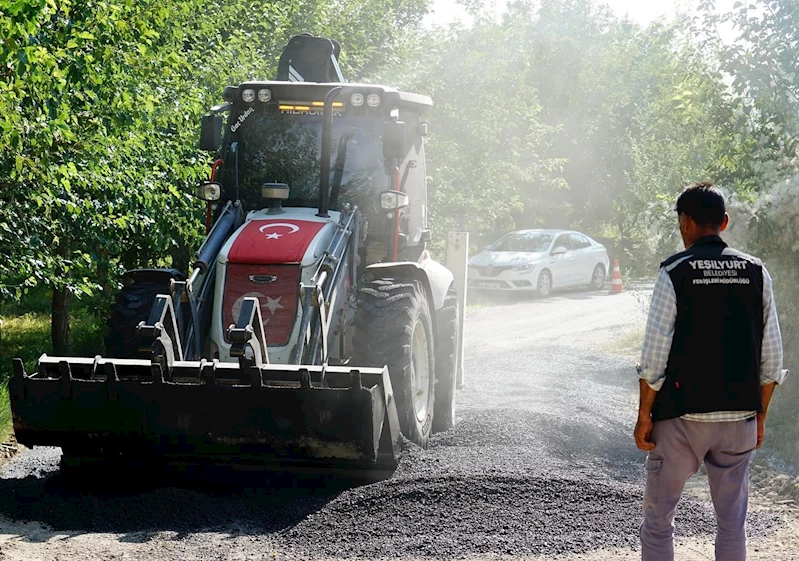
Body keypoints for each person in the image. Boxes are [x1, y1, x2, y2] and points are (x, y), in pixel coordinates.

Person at [634, 182, 788, 561]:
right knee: (732, 524)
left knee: (658, 521)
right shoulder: (756, 272)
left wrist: (643, 416)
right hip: (739, 419)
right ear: (724, 221)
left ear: (685, 223)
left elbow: (655, 358)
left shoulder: (675, 271)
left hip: (681, 419)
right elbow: (771, 359)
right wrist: (761, 416)